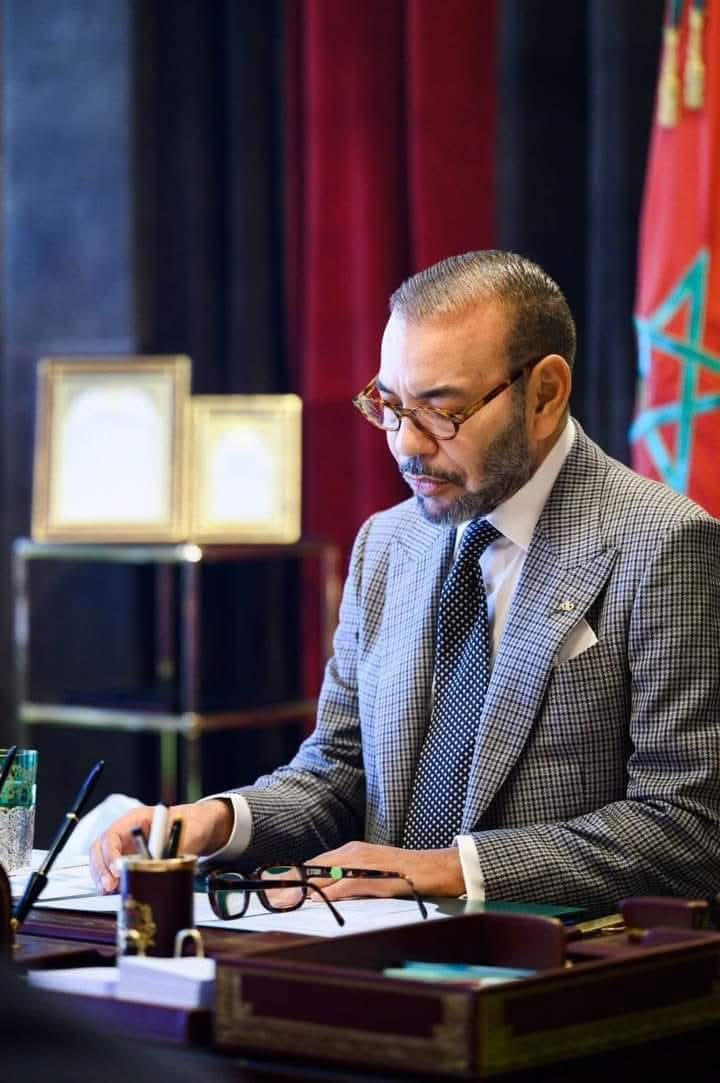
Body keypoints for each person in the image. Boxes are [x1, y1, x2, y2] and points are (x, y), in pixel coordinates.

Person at [91, 250, 720, 917]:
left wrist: (450, 870)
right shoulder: (386, 543)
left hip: (552, 961)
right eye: (390, 406)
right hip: (369, 946)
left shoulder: (665, 544)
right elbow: (339, 773)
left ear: (544, 394)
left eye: (442, 412)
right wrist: (219, 821)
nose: (405, 444)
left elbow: (689, 826)